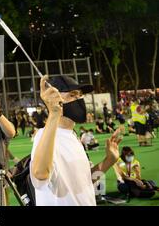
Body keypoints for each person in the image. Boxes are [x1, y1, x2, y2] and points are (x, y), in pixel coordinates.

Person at [30, 75, 122, 206]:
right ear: (54, 97)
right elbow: (40, 174)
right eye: (72, 95)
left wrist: (109, 161)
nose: (79, 99)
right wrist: (54, 113)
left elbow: (86, 181)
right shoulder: (44, 135)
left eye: (80, 95)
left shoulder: (73, 136)